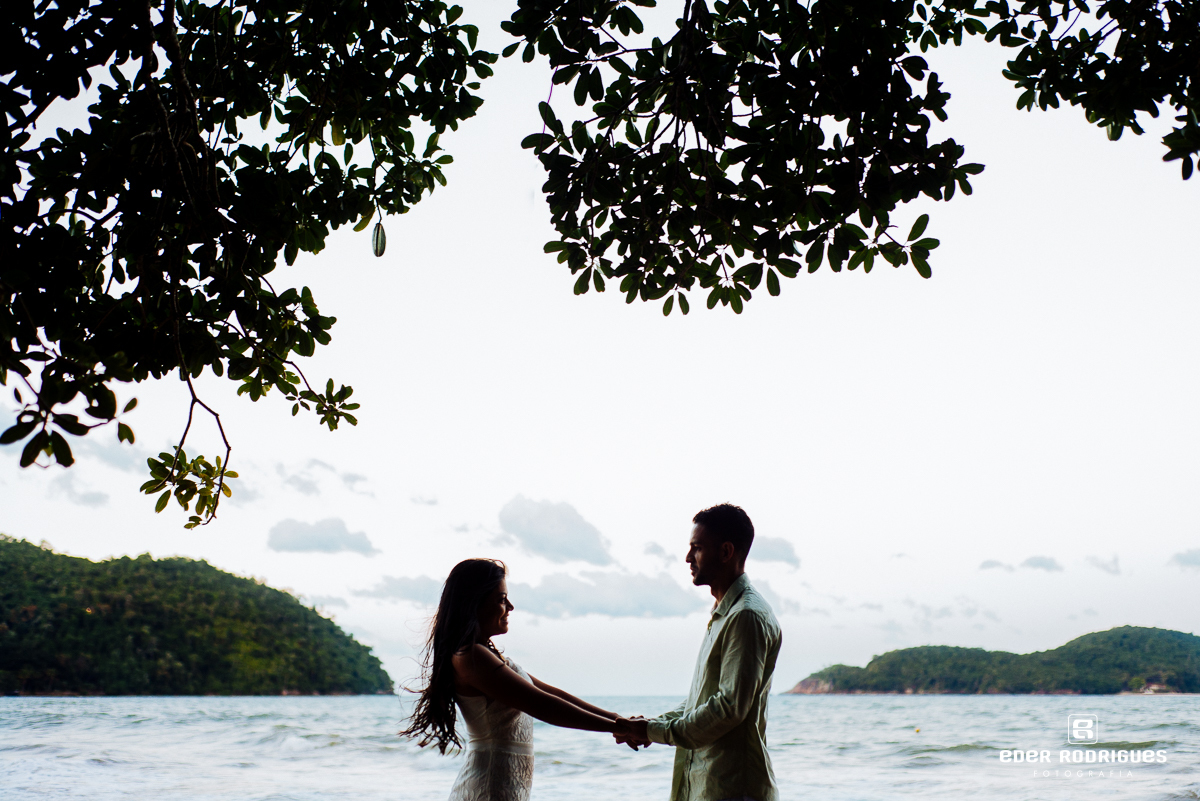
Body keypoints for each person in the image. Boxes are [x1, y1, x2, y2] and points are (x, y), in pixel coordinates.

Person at [401, 558, 624, 801]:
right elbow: (543, 705)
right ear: (474, 604)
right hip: (488, 789)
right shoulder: (471, 657)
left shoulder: (487, 655)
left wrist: (617, 720)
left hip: (501, 787)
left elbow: (552, 694)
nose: (511, 606)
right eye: (501, 599)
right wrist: (620, 727)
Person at [614, 504, 783, 801]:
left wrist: (653, 731)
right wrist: (651, 726)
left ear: (726, 552)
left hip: (733, 788)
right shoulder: (724, 613)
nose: (688, 558)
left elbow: (728, 708)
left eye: (697, 548)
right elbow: (703, 699)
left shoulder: (745, 616)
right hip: (709, 784)